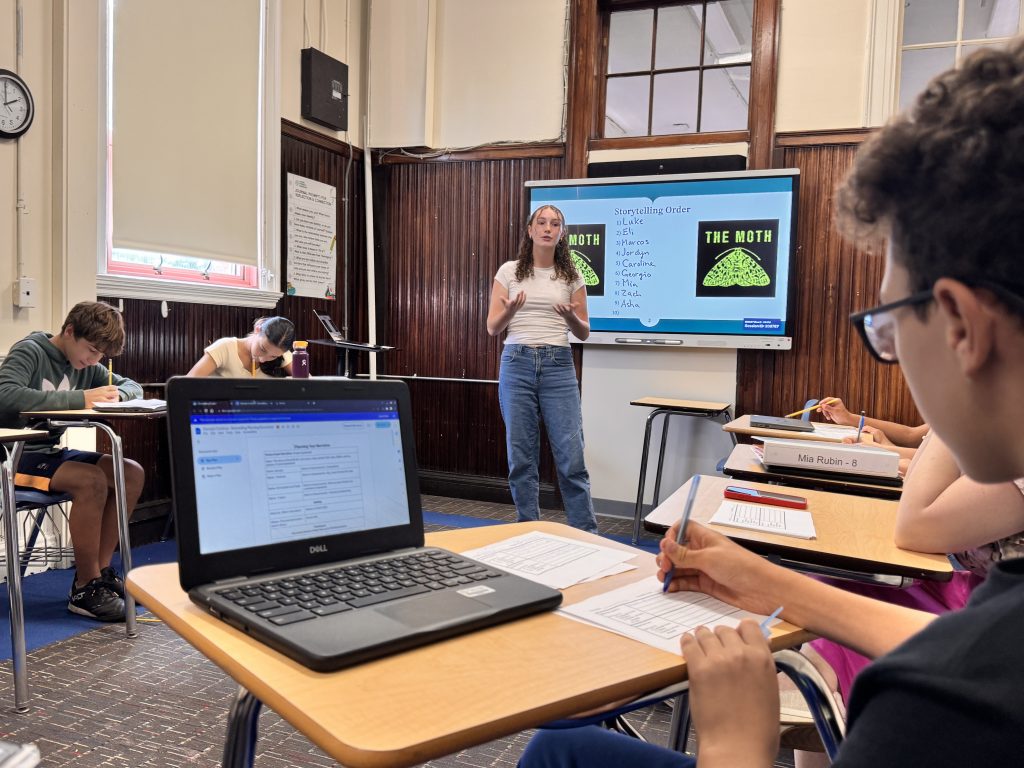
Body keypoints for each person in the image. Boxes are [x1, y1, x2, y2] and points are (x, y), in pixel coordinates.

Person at [519, 39, 1024, 766]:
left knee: (556, 752)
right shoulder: (983, 654)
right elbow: (976, 646)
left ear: (960, 327)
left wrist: (735, 740)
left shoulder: (936, 711)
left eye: (886, 325)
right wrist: (764, 580)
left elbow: (963, 657)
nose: (896, 354)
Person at [0, 301, 145, 622]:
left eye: (100, 357)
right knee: (89, 480)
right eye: (91, 350)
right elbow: (6, 395)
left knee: (130, 472)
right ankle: (85, 586)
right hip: (11, 458)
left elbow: (131, 386)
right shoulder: (31, 350)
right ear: (69, 331)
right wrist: (82, 398)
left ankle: (101, 576)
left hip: (45, 455)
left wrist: (118, 395)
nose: (94, 361)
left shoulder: (84, 365)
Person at [486, 205, 598, 533]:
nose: (548, 228)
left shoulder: (571, 276)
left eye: (555, 224)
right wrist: (510, 311)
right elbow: (493, 327)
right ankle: (528, 531)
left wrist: (569, 317)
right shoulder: (509, 272)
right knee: (521, 457)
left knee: (571, 458)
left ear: (561, 233)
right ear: (530, 230)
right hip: (516, 362)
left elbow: (583, 332)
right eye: (542, 222)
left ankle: (586, 534)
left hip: (558, 366)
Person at [186, 316, 295, 378]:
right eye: (262, 349)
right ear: (257, 330)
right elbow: (187, 385)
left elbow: (307, 384)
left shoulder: (279, 350)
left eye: (272, 357)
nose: (262, 359)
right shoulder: (225, 347)